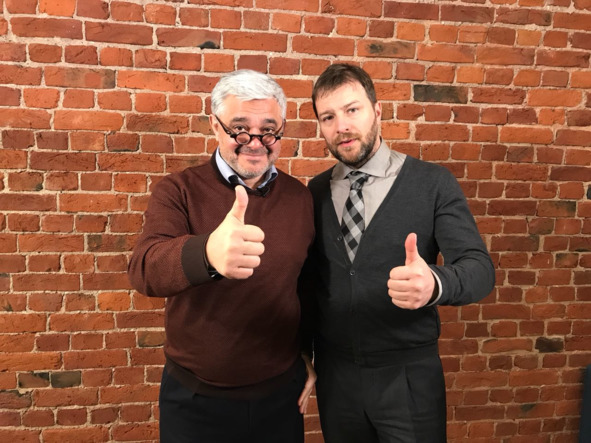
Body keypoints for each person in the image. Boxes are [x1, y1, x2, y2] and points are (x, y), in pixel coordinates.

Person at [302, 63, 496, 442]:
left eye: (352, 110)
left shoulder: (432, 183)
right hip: (336, 377)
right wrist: (302, 351)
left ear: (377, 111)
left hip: (408, 377)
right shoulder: (315, 191)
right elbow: (308, 282)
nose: (342, 126)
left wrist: (435, 283)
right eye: (328, 117)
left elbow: (479, 269)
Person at [128, 69, 316, 443]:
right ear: (215, 126)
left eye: (268, 130)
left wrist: (311, 354)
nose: (255, 143)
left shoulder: (300, 197)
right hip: (195, 399)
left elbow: (307, 285)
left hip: (281, 397)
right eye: (240, 129)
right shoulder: (178, 190)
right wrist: (207, 254)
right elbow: (144, 268)